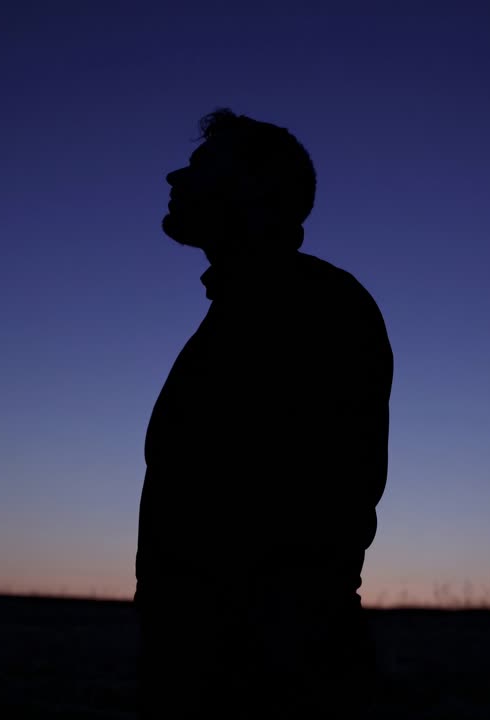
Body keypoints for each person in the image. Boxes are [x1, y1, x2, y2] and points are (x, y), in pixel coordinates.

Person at [135, 108, 393, 718]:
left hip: (263, 671)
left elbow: (321, 506)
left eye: (201, 166)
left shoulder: (314, 306)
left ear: (257, 189)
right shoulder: (246, 307)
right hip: (217, 657)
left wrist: (229, 654)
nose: (175, 176)